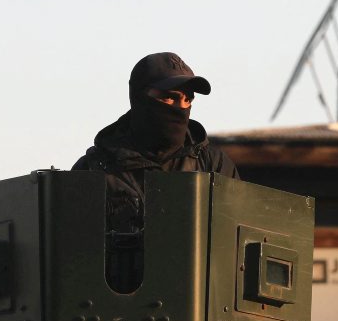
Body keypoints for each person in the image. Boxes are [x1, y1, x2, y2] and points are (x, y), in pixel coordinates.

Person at [73, 52, 239, 293]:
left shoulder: (213, 167)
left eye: (187, 100)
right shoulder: (95, 169)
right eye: (170, 98)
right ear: (140, 97)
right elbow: (74, 260)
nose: (180, 108)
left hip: (194, 306)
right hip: (116, 309)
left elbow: (234, 249)